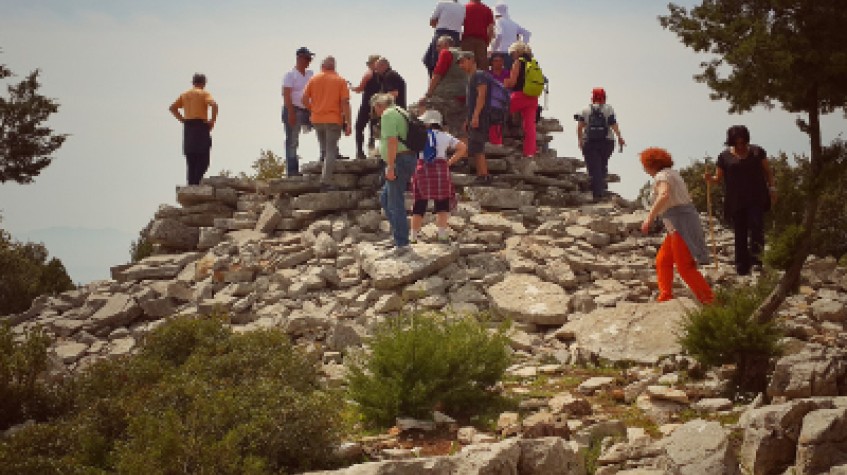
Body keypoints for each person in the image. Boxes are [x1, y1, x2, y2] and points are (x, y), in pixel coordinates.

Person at [640, 147, 714, 305]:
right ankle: (665, 296)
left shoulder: (662, 176)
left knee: (685, 267)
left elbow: (664, 194)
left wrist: (649, 217)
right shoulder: (674, 174)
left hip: (681, 225)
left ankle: (710, 301)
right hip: (676, 225)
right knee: (663, 260)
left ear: (650, 164)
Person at [705, 125, 777, 275]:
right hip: (736, 200)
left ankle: (757, 261)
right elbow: (718, 179)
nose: (740, 145)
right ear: (731, 142)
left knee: (757, 227)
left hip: (757, 197)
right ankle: (742, 266)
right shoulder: (724, 157)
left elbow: (768, 172)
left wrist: (772, 189)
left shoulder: (757, 152)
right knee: (740, 232)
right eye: (737, 142)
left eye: (742, 142)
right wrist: (709, 179)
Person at [411, 110, 467, 244]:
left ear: (426, 123)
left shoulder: (419, 136)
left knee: (419, 202)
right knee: (442, 202)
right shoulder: (445, 136)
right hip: (440, 169)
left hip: (422, 169)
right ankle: (442, 234)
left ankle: (413, 236)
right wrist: (449, 162)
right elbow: (463, 147)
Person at [371, 93, 418, 253]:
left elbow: (392, 141)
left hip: (398, 160)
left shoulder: (388, 114)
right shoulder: (401, 111)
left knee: (394, 201)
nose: (375, 112)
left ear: (379, 105)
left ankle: (402, 243)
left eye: (374, 108)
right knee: (385, 198)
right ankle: (398, 235)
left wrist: (390, 166)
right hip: (407, 158)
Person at [301, 56, 352, 190]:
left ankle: (322, 176)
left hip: (317, 119)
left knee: (324, 149)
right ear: (334, 67)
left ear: (322, 66)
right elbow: (345, 102)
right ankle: (325, 181)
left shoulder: (314, 79)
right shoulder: (340, 81)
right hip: (333, 119)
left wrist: (313, 109)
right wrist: (348, 122)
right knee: (330, 151)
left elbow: (304, 98)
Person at [576, 87, 626, 202]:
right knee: (602, 165)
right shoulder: (608, 109)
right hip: (607, 142)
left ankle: (597, 194)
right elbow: (613, 124)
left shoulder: (585, 110)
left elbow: (579, 127)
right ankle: (602, 189)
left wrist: (580, 140)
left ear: (592, 97)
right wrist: (619, 137)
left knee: (594, 167)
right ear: (604, 97)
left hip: (590, 141)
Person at [169, 73, 218, 186]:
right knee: (203, 158)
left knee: (191, 159)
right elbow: (214, 105)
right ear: (204, 83)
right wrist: (212, 121)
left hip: (188, 127)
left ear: (193, 82)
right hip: (201, 126)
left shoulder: (185, 94)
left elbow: (172, 108)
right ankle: (196, 184)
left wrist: (182, 120)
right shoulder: (204, 93)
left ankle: (191, 185)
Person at [422, 35, 469, 137]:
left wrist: (428, 94)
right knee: (458, 131)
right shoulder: (465, 56)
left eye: (439, 46)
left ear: (447, 45)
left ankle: (428, 141)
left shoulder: (446, 53)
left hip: (448, 97)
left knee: (418, 108)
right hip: (463, 98)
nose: (437, 49)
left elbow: (437, 75)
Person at [456, 50, 491, 182]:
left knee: (478, 146)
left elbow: (482, 95)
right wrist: (468, 119)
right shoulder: (472, 77)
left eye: (463, 62)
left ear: (471, 60)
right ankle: (481, 174)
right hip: (474, 116)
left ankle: (484, 175)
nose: (461, 66)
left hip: (481, 116)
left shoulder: (479, 75)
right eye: (459, 63)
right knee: (475, 145)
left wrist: (476, 116)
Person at [282, 47, 316, 177]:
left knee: (324, 127)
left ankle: (327, 155)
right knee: (292, 140)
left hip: (308, 109)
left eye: (310, 59)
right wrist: (290, 113)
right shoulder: (290, 75)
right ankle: (292, 170)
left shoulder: (310, 74)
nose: (309, 61)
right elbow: (286, 94)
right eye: (307, 58)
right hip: (294, 109)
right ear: (299, 58)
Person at [503, 41, 538, 159]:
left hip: (520, 95)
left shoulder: (518, 62)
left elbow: (512, 82)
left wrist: (504, 83)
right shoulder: (533, 62)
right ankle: (530, 153)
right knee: (530, 126)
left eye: (512, 53)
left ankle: (495, 142)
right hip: (533, 97)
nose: (512, 56)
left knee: (499, 111)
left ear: (517, 52)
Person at [423, 0, 465, 76]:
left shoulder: (442, 3)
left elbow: (432, 22)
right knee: (452, 62)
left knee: (431, 60)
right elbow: (462, 22)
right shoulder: (462, 7)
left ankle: (435, 81)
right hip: (456, 35)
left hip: (441, 32)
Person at [352, 54, 381, 159]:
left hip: (366, 104)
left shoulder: (369, 74)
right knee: (373, 128)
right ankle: (372, 149)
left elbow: (360, 88)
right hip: (377, 105)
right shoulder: (382, 75)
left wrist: (353, 88)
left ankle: (360, 152)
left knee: (359, 127)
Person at [489, 2, 531, 71]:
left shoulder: (498, 21)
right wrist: (521, 48)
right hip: (512, 54)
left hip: (500, 53)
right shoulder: (513, 23)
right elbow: (527, 34)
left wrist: (493, 49)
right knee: (510, 75)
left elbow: (499, 35)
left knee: (499, 77)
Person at [461, 0, 495, 70]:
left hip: (467, 40)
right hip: (481, 41)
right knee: (482, 68)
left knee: (467, 67)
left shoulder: (464, 8)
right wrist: (488, 42)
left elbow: (459, 25)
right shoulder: (487, 9)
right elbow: (491, 29)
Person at [487, 52, 509, 145]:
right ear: (491, 62)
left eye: (500, 61)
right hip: (490, 101)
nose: (498, 63)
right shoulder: (487, 74)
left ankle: (497, 142)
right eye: (495, 61)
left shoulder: (507, 73)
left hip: (503, 101)